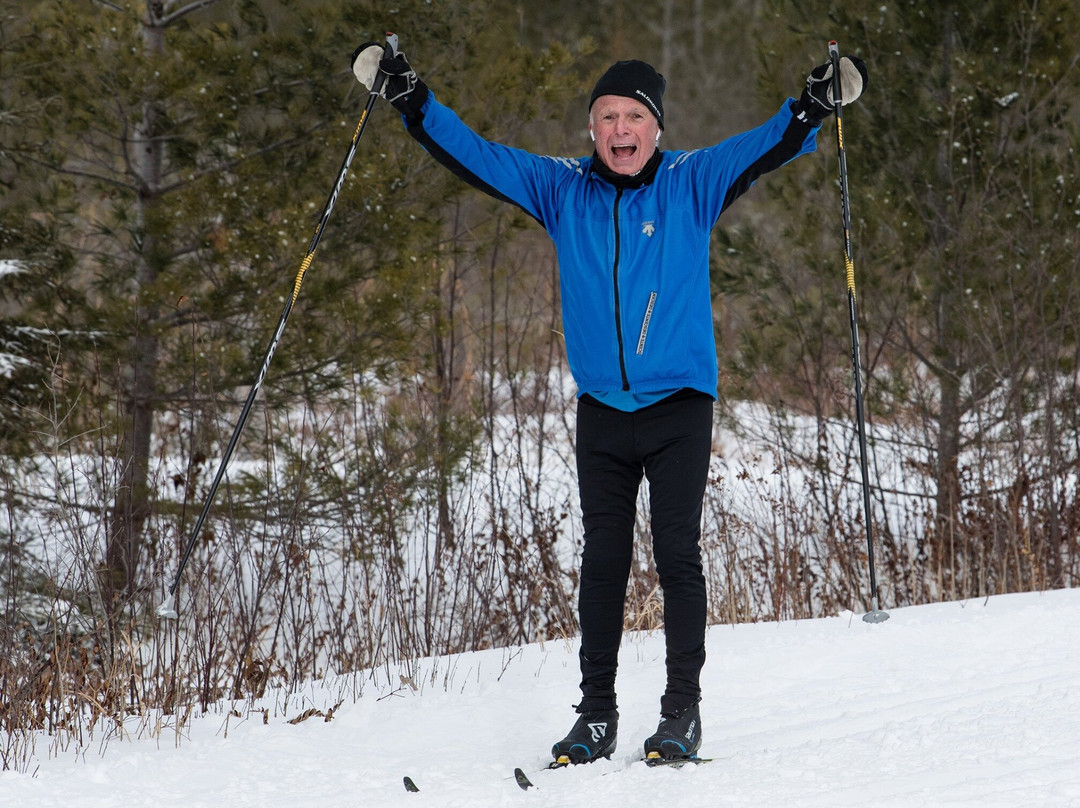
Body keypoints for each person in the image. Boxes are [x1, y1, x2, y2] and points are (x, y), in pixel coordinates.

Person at [351, 39, 867, 764]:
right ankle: (596, 716)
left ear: (657, 128)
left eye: (633, 116)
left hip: (679, 405)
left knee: (677, 556)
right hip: (602, 412)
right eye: (606, 117)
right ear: (591, 129)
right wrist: (413, 100)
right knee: (604, 561)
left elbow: (769, 144)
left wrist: (812, 103)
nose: (620, 130)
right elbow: (476, 155)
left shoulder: (693, 182)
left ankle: (680, 714)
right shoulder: (562, 190)